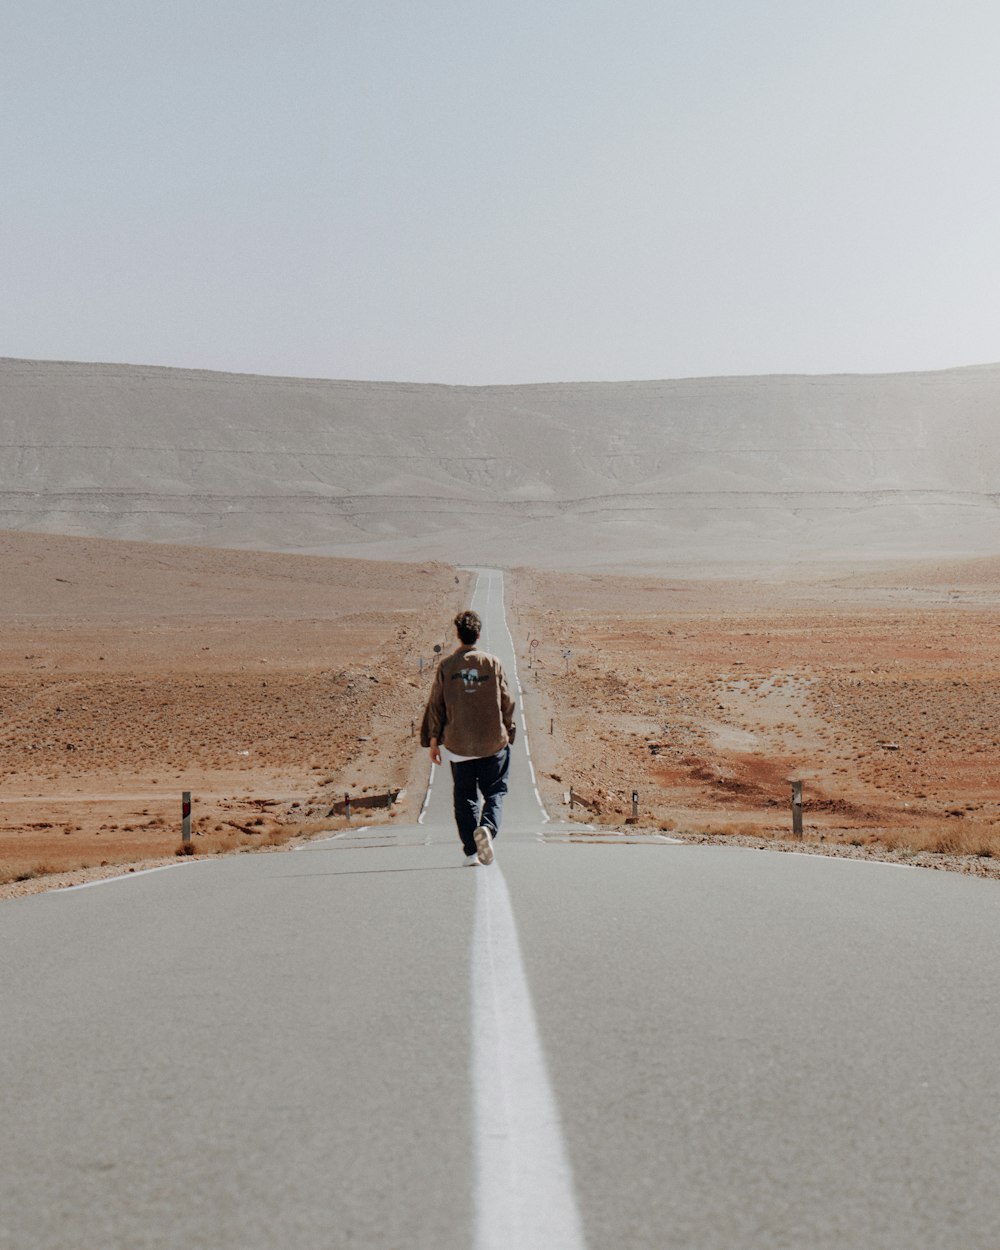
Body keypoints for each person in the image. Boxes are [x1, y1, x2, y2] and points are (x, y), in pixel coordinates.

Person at [420, 609, 516, 865]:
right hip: (492, 742)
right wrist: (509, 727)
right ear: (478, 634)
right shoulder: (492, 663)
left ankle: (472, 850)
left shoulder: (447, 666)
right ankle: (488, 828)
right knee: (495, 792)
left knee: (465, 798)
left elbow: (436, 706)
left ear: (458, 635)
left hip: (458, 744)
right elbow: (507, 701)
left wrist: (433, 741)